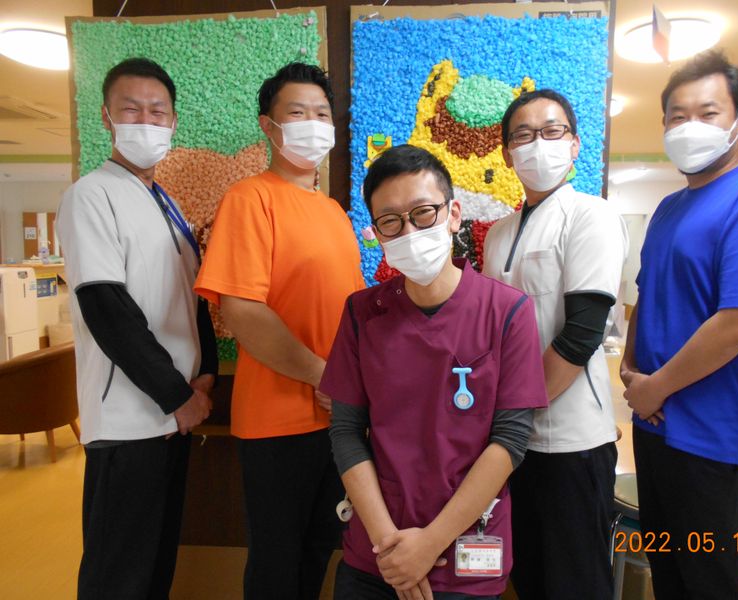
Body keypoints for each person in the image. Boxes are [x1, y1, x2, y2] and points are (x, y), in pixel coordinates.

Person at [321, 144, 548, 600]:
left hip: (467, 552)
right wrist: (392, 548)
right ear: (377, 233)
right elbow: (345, 430)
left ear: (453, 214)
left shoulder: (507, 311)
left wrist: (428, 545)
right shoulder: (363, 313)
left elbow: (510, 439)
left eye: (423, 213)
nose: (409, 231)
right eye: (391, 221)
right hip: (377, 554)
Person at [621, 50, 738, 599]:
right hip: (655, 427)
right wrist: (629, 367)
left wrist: (655, 386)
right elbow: (646, 294)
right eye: (677, 116)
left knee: (710, 581)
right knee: (668, 573)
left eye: (707, 113)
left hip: (712, 436)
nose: (689, 127)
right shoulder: (670, 208)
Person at [194, 62, 364, 599]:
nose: (313, 124)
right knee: (276, 564)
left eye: (322, 114)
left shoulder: (335, 213)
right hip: (276, 422)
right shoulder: (250, 198)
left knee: (318, 552)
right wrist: (324, 376)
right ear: (268, 126)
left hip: (337, 420)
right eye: (297, 112)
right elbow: (243, 312)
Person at [56, 57, 217, 600]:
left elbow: (190, 298)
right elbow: (106, 308)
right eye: (131, 110)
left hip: (173, 418)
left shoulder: (165, 203)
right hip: (128, 425)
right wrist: (178, 395)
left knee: (154, 570)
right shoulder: (91, 195)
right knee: (117, 577)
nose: (146, 122)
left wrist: (205, 374)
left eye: (157, 112)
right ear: (106, 117)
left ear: (173, 122)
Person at [482, 89, 628, 600]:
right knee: (527, 576)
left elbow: (582, 334)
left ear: (575, 144)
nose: (538, 144)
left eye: (551, 131)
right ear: (507, 154)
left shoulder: (591, 215)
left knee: (576, 582)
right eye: (523, 135)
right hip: (513, 445)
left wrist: (514, 412)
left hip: (571, 442)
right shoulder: (498, 234)